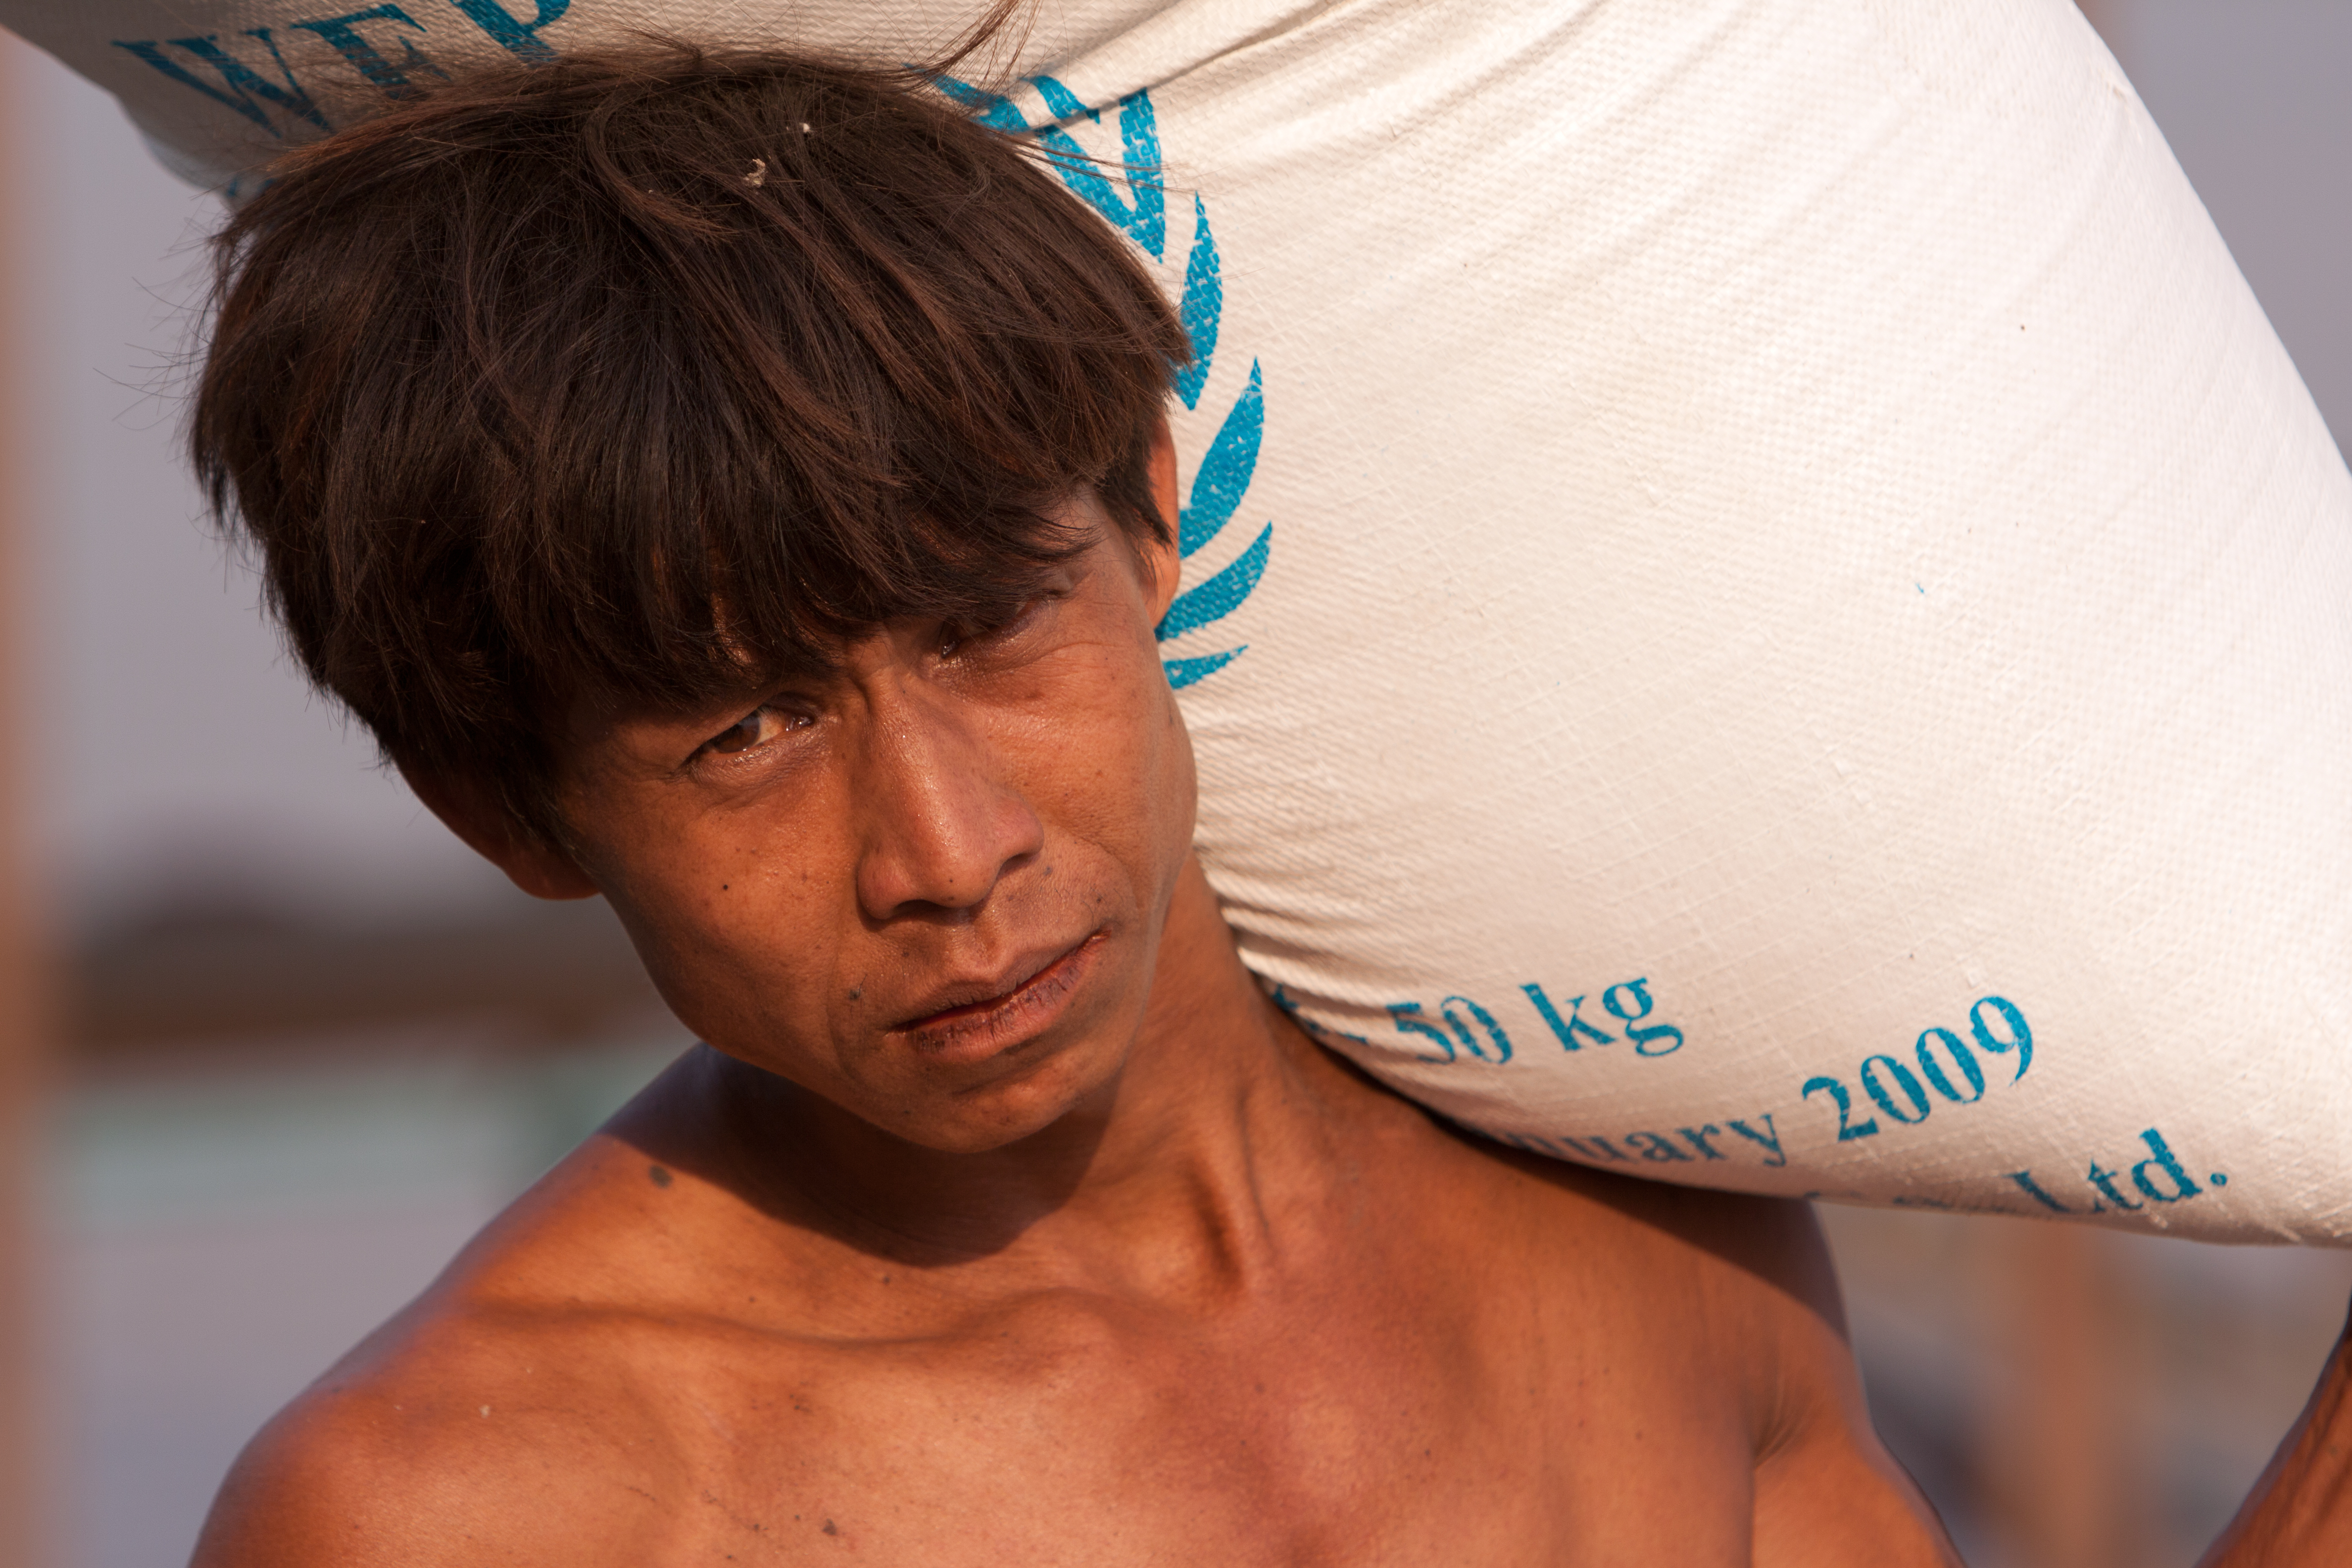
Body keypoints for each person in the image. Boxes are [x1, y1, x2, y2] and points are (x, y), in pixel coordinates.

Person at [176, 41, 2346, 1568]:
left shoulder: (1643, 1213)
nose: (945, 855)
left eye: (982, 628)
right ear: (510, 813)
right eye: (741, 733)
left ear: (1150, 523)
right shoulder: (469, 1511)